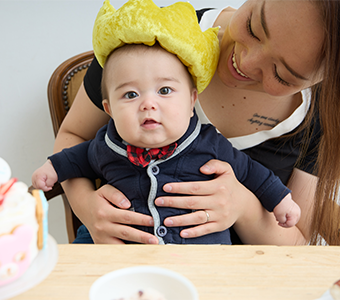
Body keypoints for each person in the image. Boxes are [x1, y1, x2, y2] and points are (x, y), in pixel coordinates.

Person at [44, 0, 340, 245]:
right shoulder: (148, 38)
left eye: (281, 74)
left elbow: (297, 241)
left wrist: (243, 206)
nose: (245, 63)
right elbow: (74, 136)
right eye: (254, 26)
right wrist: (86, 205)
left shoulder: (320, 115)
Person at [32, 41, 301, 244]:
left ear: (192, 101)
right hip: (119, 251)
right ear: (109, 109)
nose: (148, 104)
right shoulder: (104, 145)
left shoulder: (210, 143)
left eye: (164, 91)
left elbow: (253, 174)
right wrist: (50, 170)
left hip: (201, 257)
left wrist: (281, 201)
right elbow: (72, 159)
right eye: (130, 94)